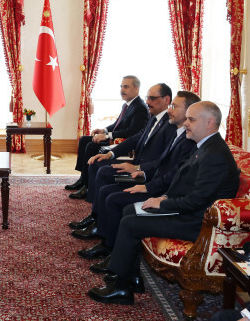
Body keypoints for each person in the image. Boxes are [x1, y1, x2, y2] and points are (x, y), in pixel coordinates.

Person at [87, 101, 240, 305]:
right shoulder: (205, 146)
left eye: (191, 119)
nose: (186, 123)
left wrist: (163, 203)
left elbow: (197, 200)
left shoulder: (215, 155)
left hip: (196, 223)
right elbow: (185, 183)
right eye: (187, 118)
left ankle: (122, 288)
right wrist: (164, 197)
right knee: (129, 209)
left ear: (210, 122)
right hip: (186, 212)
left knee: (130, 223)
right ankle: (131, 277)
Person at [77, 91, 199, 261]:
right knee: (104, 182)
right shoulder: (171, 127)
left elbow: (172, 172)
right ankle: (99, 226)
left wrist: (142, 174)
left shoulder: (181, 133)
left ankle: (109, 245)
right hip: (148, 175)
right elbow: (138, 140)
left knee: (110, 193)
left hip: (159, 186)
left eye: (174, 106)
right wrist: (115, 155)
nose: (147, 101)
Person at [69, 83, 176, 238]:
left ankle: (97, 220)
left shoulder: (170, 125)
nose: (148, 102)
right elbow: (135, 139)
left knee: (103, 172)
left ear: (167, 99)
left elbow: (163, 161)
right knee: (99, 163)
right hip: (137, 164)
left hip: (145, 171)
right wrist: (110, 154)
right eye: (147, 98)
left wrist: (138, 167)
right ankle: (95, 216)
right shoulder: (154, 119)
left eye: (152, 98)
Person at [66, 76, 149, 199]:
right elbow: (117, 124)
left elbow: (132, 132)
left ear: (136, 89)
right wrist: (104, 130)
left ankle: (88, 186)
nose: (122, 90)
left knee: (91, 146)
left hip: (122, 143)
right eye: (121, 86)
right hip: (115, 138)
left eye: (126, 87)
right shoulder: (127, 105)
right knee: (84, 139)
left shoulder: (140, 107)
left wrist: (106, 135)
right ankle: (83, 179)